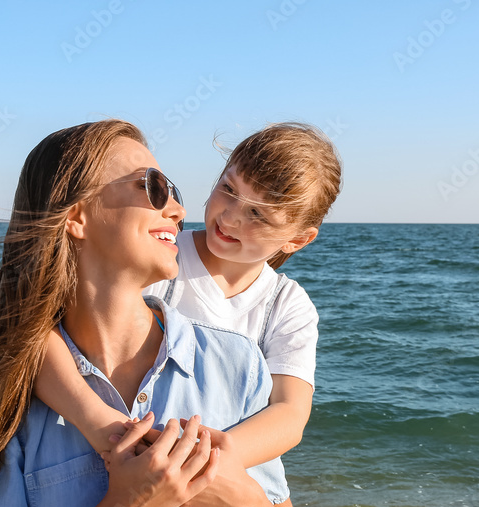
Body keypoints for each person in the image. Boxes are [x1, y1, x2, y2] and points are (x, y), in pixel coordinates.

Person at [0, 120, 298, 507]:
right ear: (77, 216)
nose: (179, 210)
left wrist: (237, 493)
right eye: (151, 187)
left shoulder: (236, 364)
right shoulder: (21, 385)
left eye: (175, 192)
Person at [34, 122, 343, 469]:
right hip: (118, 448)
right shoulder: (158, 255)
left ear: (297, 240)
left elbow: (289, 413)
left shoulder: (286, 305)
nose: (229, 216)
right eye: (228, 188)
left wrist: (201, 464)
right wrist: (97, 421)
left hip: (209, 474)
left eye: (257, 214)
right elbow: (37, 339)